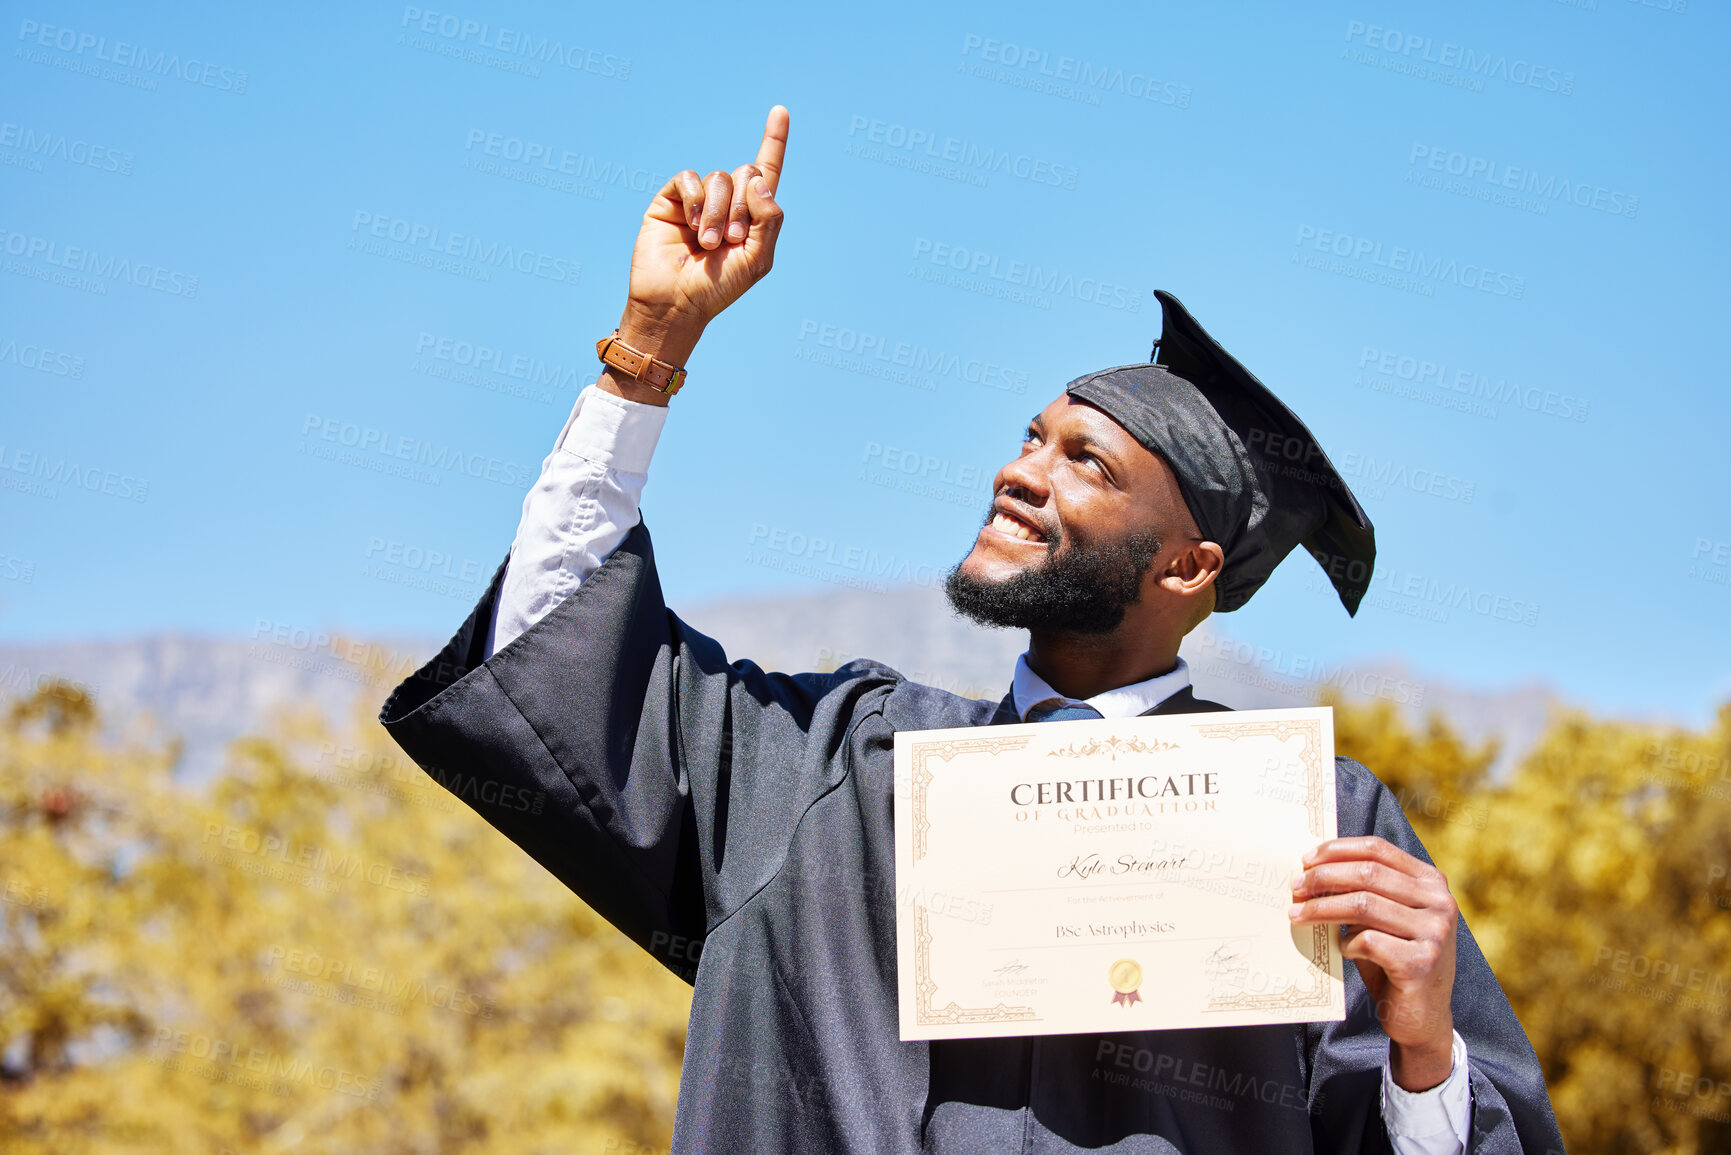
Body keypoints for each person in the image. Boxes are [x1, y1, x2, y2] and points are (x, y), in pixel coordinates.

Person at [380, 106, 1564, 1154]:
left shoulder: (1313, 830)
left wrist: (1421, 1052)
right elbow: (554, 647)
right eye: (1031, 436)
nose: (1017, 472)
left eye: (1083, 459)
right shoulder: (839, 770)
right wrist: (650, 349)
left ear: (1191, 565)